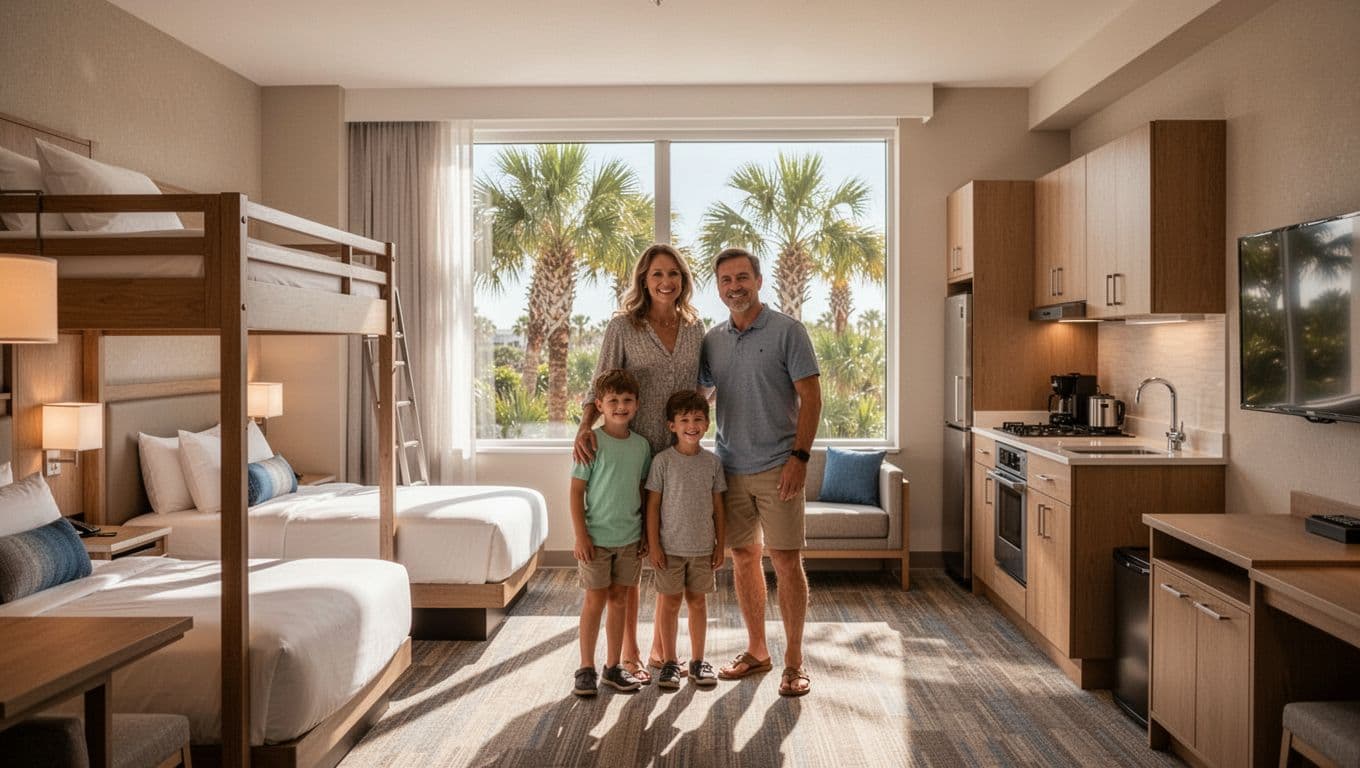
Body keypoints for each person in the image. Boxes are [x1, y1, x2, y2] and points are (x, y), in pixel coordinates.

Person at [574, 243, 705, 684]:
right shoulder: (623, 326)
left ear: (683, 279)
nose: (665, 281)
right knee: (632, 550)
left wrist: (693, 426)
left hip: (675, 453)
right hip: (630, 448)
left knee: (665, 549)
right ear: (643, 280)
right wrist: (583, 429)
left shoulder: (694, 326)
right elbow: (602, 381)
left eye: (673, 273)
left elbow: (703, 386)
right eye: (656, 274)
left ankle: (659, 650)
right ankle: (626, 652)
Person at [699, 247, 821, 697]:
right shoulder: (712, 340)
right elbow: (702, 395)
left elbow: (812, 398)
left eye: (742, 277)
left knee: (787, 561)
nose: (735, 286)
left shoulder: (789, 331)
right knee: (744, 557)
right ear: (718, 287)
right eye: (726, 280)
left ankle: (793, 662)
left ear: (759, 280)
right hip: (729, 467)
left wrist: (799, 459)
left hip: (779, 468)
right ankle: (757, 651)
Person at [569, 369, 652, 697]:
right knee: (594, 601)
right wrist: (580, 536)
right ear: (599, 405)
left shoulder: (642, 447)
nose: (620, 406)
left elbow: (643, 491)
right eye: (613, 401)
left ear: (637, 405)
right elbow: (576, 492)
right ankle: (586, 667)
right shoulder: (591, 442)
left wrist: (645, 532)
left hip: (630, 539)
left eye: (627, 400)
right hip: (596, 540)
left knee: (620, 600)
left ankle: (613, 667)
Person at [644, 390, 727, 689]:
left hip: (703, 548)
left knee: (698, 604)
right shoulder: (662, 462)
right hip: (668, 549)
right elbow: (652, 506)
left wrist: (721, 544)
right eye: (684, 420)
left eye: (698, 419)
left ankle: (698, 661)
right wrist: (654, 545)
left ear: (707, 424)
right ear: (672, 426)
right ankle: (669, 662)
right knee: (669, 604)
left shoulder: (713, 464)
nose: (691, 425)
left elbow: (719, 507)